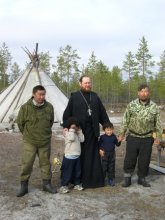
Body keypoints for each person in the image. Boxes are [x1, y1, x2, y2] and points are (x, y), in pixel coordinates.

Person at [63, 75, 110, 188]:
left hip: (92, 132)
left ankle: (92, 181)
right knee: (77, 157)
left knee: (92, 158)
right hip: (78, 133)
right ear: (80, 84)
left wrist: (107, 125)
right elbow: (67, 113)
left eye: (89, 83)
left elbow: (102, 112)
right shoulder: (74, 97)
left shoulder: (95, 97)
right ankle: (76, 180)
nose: (88, 85)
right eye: (85, 83)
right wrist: (66, 126)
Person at [118, 84, 162, 187]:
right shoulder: (131, 105)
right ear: (138, 93)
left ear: (149, 93)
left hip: (147, 138)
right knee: (130, 159)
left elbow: (158, 123)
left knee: (145, 159)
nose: (144, 93)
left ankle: (142, 178)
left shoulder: (154, 106)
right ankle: (127, 178)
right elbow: (125, 120)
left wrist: (158, 137)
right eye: (141, 91)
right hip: (133, 136)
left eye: (146, 91)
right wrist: (121, 134)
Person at [16, 85, 56, 197]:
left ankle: (46, 184)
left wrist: (45, 134)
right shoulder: (25, 107)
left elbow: (51, 122)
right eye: (40, 94)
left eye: (43, 94)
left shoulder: (49, 107)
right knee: (27, 163)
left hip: (45, 141)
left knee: (45, 163)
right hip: (30, 141)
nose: (42, 97)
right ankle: (24, 186)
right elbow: (20, 123)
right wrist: (28, 135)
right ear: (34, 94)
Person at [59, 117, 84, 194]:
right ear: (69, 126)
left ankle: (77, 184)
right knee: (67, 172)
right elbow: (71, 138)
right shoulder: (67, 133)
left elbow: (82, 140)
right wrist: (71, 130)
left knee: (77, 172)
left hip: (77, 156)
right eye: (73, 126)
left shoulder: (76, 133)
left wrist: (79, 131)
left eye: (76, 126)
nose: (75, 128)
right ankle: (63, 185)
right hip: (69, 156)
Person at [99, 122, 121, 186]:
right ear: (104, 130)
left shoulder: (114, 137)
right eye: (107, 130)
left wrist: (119, 141)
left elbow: (117, 144)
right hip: (104, 154)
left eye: (111, 130)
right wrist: (100, 150)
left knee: (111, 168)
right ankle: (102, 180)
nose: (109, 131)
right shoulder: (102, 137)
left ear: (113, 129)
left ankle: (111, 179)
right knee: (104, 167)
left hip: (112, 154)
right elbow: (99, 145)